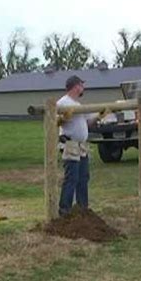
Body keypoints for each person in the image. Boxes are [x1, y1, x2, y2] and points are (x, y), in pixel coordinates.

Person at [57, 75, 110, 216]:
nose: (83, 88)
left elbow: (87, 123)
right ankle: (64, 210)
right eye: (82, 85)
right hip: (70, 144)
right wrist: (63, 118)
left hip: (82, 146)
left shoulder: (79, 105)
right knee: (72, 177)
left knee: (83, 177)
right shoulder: (62, 103)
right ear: (76, 86)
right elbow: (55, 121)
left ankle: (82, 208)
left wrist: (99, 116)